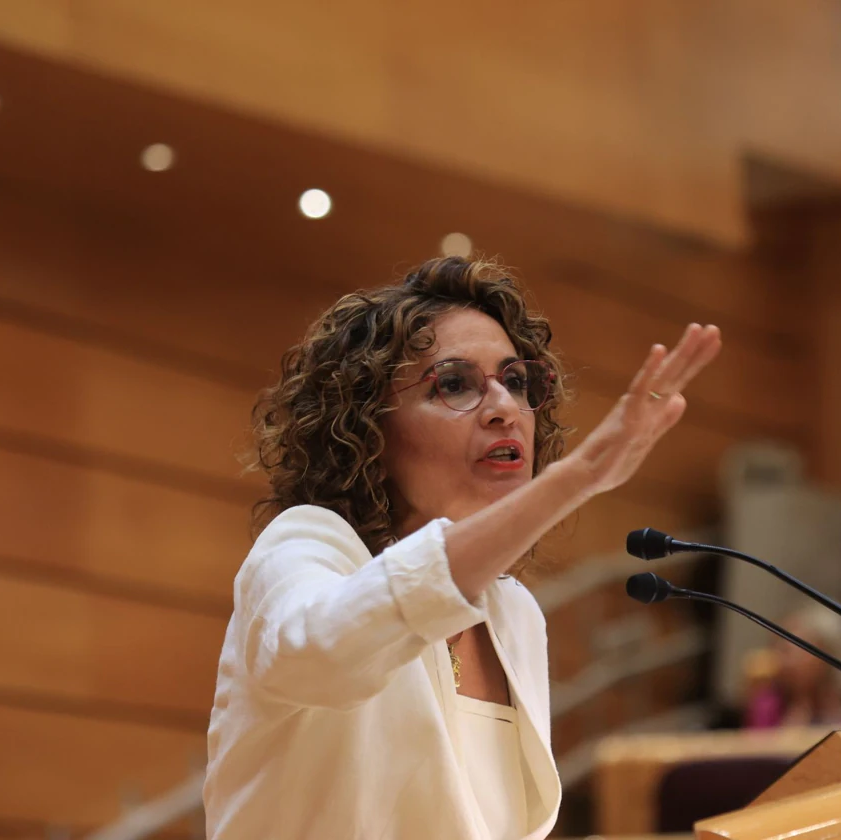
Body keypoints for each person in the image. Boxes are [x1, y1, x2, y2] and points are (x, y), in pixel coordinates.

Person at [202, 256, 722, 839]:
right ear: (367, 429)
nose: (504, 408)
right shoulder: (307, 547)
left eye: (515, 381)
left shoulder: (515, 613)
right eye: (454, 384)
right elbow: (322, 655)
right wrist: (578, 478)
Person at [744, 605, 841, 730]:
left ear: (826, 652)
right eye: (776, 649)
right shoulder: (767, 704)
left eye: (788, 651)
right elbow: (754, 763)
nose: (781, 661)